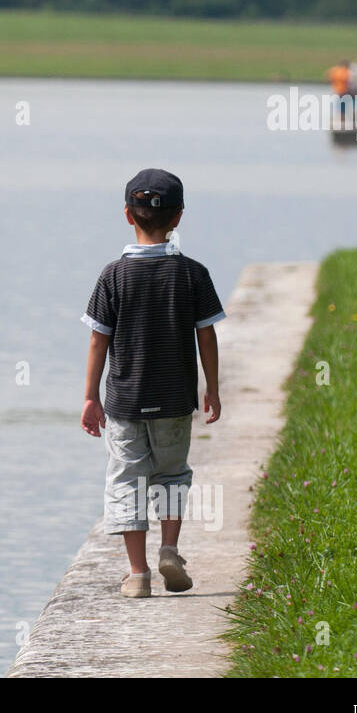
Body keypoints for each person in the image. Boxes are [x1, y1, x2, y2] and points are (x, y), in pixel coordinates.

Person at [80, 169, 224, 599]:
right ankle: (170, 550)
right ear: (178, 218)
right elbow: (206, 335)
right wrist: (211, 388)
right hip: (175, 399)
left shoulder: (112, 276)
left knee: (127, 480)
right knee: (173, 475)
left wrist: (90, 396)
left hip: (125, 401)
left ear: (128, 215)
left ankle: (138, 573)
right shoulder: (193, 274)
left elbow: (97, 340)